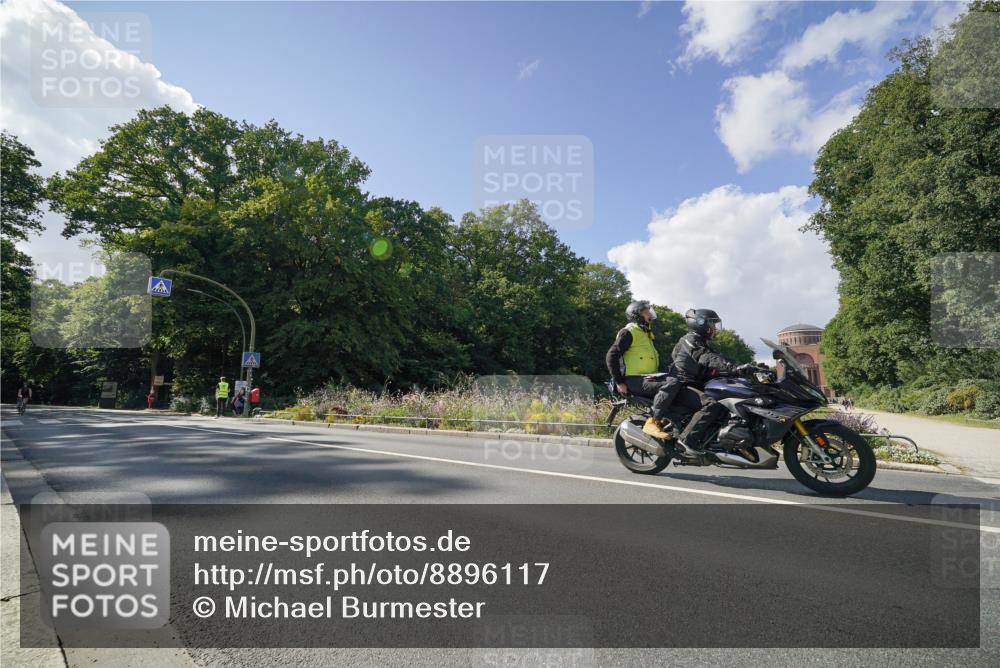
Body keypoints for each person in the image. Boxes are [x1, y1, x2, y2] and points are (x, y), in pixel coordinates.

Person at [671, 308, 755, 457]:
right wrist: (732, 368)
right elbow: (705, 358)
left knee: (726, 401)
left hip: (697, 384)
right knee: (711, 404)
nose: (715, 328)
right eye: (712, 324)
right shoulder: (689, 340)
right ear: (700, 323)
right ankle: (685, 441)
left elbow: (720, 359)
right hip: (683, 385)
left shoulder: (703, 342)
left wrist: (748, 367)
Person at [606, 300, 680, 440]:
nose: (649, 315)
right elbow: (611, 356)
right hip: (633, 380)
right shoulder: (629, 332)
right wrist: (619, 382)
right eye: (646, 313)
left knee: (680, 381)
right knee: (672, 383)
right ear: (636, 315)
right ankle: (653, 421)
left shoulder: (646, 334)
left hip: (648, 378)